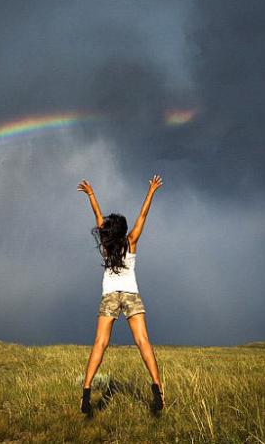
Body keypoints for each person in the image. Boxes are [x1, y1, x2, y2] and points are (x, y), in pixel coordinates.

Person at [77, 174, 164, 415]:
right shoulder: (131, 241)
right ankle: (157, 388)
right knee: (143, 341)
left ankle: (86, 391)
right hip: (131, 294)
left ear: (108, 231)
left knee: (100, 343)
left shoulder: (106, 245)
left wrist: (91, 194)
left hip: (110, 296)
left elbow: (98, 216)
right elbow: (143, 215)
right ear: (124, 230)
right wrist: (151, 191)